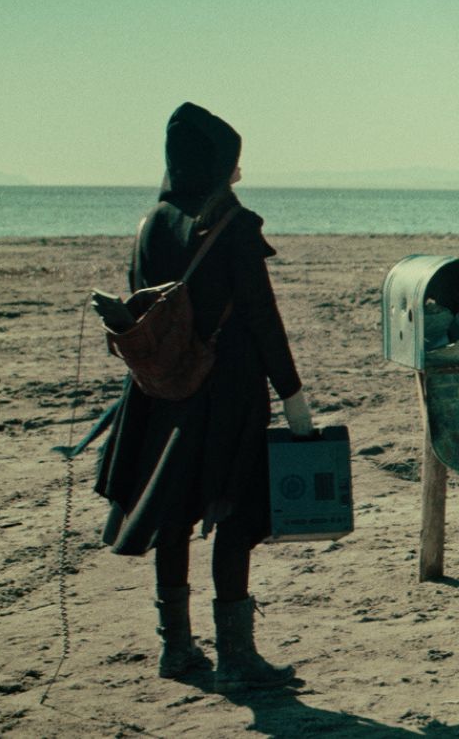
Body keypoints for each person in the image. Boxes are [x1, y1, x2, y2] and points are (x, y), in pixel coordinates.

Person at [93, 102, 312, 691]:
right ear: (217, 166)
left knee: (172, 517)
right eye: (232, 163)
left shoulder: (150, 223)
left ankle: (178, 651)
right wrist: (292, 396)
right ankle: (237, 658)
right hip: (227, 391)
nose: (238, 173)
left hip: (160, 393)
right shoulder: (232, 226)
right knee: (234, 514)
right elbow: (264, 318)